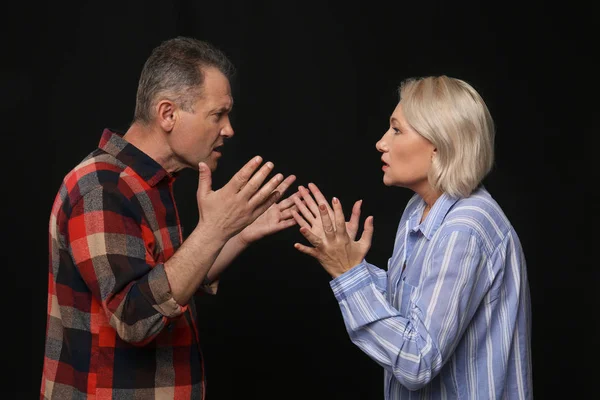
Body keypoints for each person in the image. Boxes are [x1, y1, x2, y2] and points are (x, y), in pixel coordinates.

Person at [41, 36, 299, 399]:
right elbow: (135, 317)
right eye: (217, 114)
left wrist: (239, 234)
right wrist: (214, 229)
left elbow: (175, 278)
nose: (228, 129)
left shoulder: (151, 183)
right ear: (168, 114)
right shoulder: (101, 188)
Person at [291, 75, 532, 399]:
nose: (381, 142)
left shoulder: (465, 229)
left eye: (396, 129)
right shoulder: (419, 209)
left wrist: (348, 273)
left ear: (438, 145)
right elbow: (412, 308)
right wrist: (348, 262)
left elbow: (416, 359)